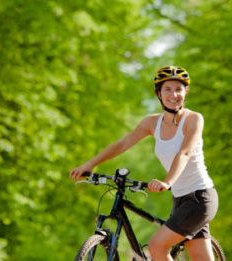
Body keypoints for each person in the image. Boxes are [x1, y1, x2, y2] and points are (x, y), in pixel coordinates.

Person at [70, 66, 219, 261]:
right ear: (158, 93)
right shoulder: (152, 123)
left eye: (178, 89)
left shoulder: (194, 119)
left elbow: (185, 152)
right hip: (180, 200)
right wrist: (90, 164)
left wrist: (167, 181)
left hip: (200, 198)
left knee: (157, 247)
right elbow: (122, 143)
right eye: (167, 89)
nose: (173, 94)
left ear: (186, 92)